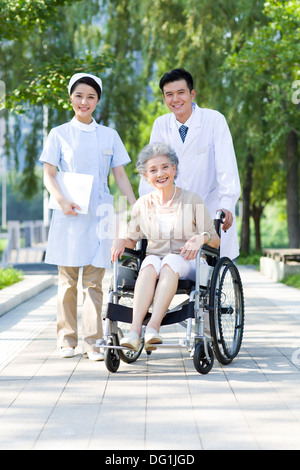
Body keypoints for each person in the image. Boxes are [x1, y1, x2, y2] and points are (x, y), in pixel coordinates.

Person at [40, 72, 136, 361]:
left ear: (97, 101)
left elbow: (120, 174)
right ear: (70, 98)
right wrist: (62, 200)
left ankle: (92, 343)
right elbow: (48, 174)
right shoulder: (58, 134)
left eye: (91, 97)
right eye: (79, 95)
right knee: (68, 280)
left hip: (100, 213)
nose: (85, 101)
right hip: (69, 211)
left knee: (94, 282)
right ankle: (67, 340)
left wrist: (136, 205)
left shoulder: (109, 135)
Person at [112, 143, 220, 352]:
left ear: (174, 168)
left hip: (188, 261)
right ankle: (135, 332)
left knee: (170, 261)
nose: (160, 174)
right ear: (145, 176)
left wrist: (201, 238)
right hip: (157, 262)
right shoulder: (142, 205)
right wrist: (119, 240)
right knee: (150, 262)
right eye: (153, 170)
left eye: (165, 167)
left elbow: (215, 240)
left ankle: (153, 326)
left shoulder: (192, 199)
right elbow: (130, 239)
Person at [139, 68, 241, 260]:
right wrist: (147, 204)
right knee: (171, 266)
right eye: (169, 95)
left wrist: (227, 204)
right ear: (164, 98)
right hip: (173, 212)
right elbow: (151, 169)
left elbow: (227, 167)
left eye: (181, 93)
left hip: (210, 206)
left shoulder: (214, 120)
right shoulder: (161, 125)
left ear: (192, 94)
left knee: (208, 269)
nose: (175, 99)